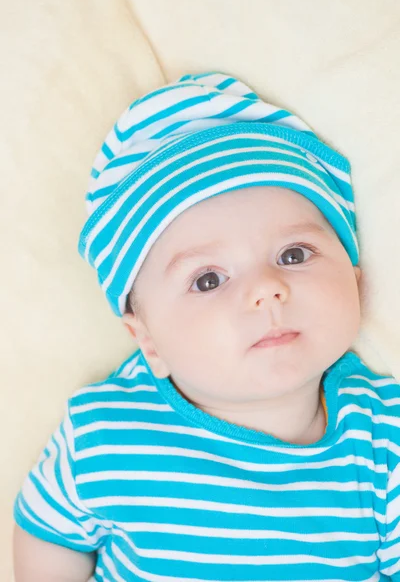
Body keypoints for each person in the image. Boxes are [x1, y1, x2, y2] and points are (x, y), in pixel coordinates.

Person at [12, 72, 400, 582]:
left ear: (355, 279)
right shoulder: (107, 434)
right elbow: (46, 533)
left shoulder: (383, 438)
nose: (266, 288)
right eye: (208, 279)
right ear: (148, 341)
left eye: (293, 254)